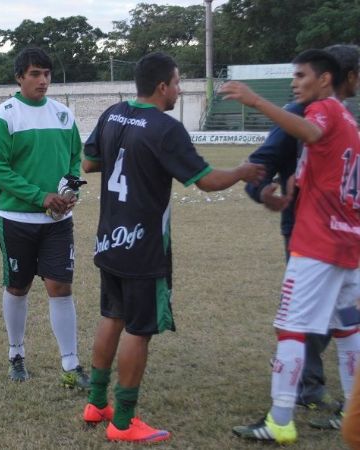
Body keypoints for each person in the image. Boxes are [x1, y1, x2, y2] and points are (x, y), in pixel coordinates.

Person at [81, 52, 265, 443]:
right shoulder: (165, 128)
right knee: (138, 329)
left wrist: (126, 156)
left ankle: (96, 404)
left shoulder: (112, 113)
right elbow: (206, 181)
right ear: (162, 86)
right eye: (178, 83)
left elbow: (89, 163)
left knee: (111, 317)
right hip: (144, 247)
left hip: (109, 240)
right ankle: (124, 422)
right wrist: (242, 172)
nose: (179, 89)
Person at [221, 49, 360, 445]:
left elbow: (312, 133)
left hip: (318, 245)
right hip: (348, 244)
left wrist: (255, 100)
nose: (294, 82)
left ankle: (281, 419)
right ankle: (354, 414)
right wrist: (284, 189)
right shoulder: (350, 120)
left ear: (325, 80)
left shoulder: (325, 111)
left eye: (301, 75)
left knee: (291, 329)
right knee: (347, 327)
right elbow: (321, 161)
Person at [0, 46, 89, 389]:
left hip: (57, 221)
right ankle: (16, 354)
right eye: (35, 74)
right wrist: (39, 196)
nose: (43, 81)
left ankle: (71, 366)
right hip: (16, 218)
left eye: (47, 74)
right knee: (18, 286)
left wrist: (70, 193)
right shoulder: (5, 116)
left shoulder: (64, 115)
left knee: (61, 287)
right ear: (19, 77)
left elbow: (75, 159)